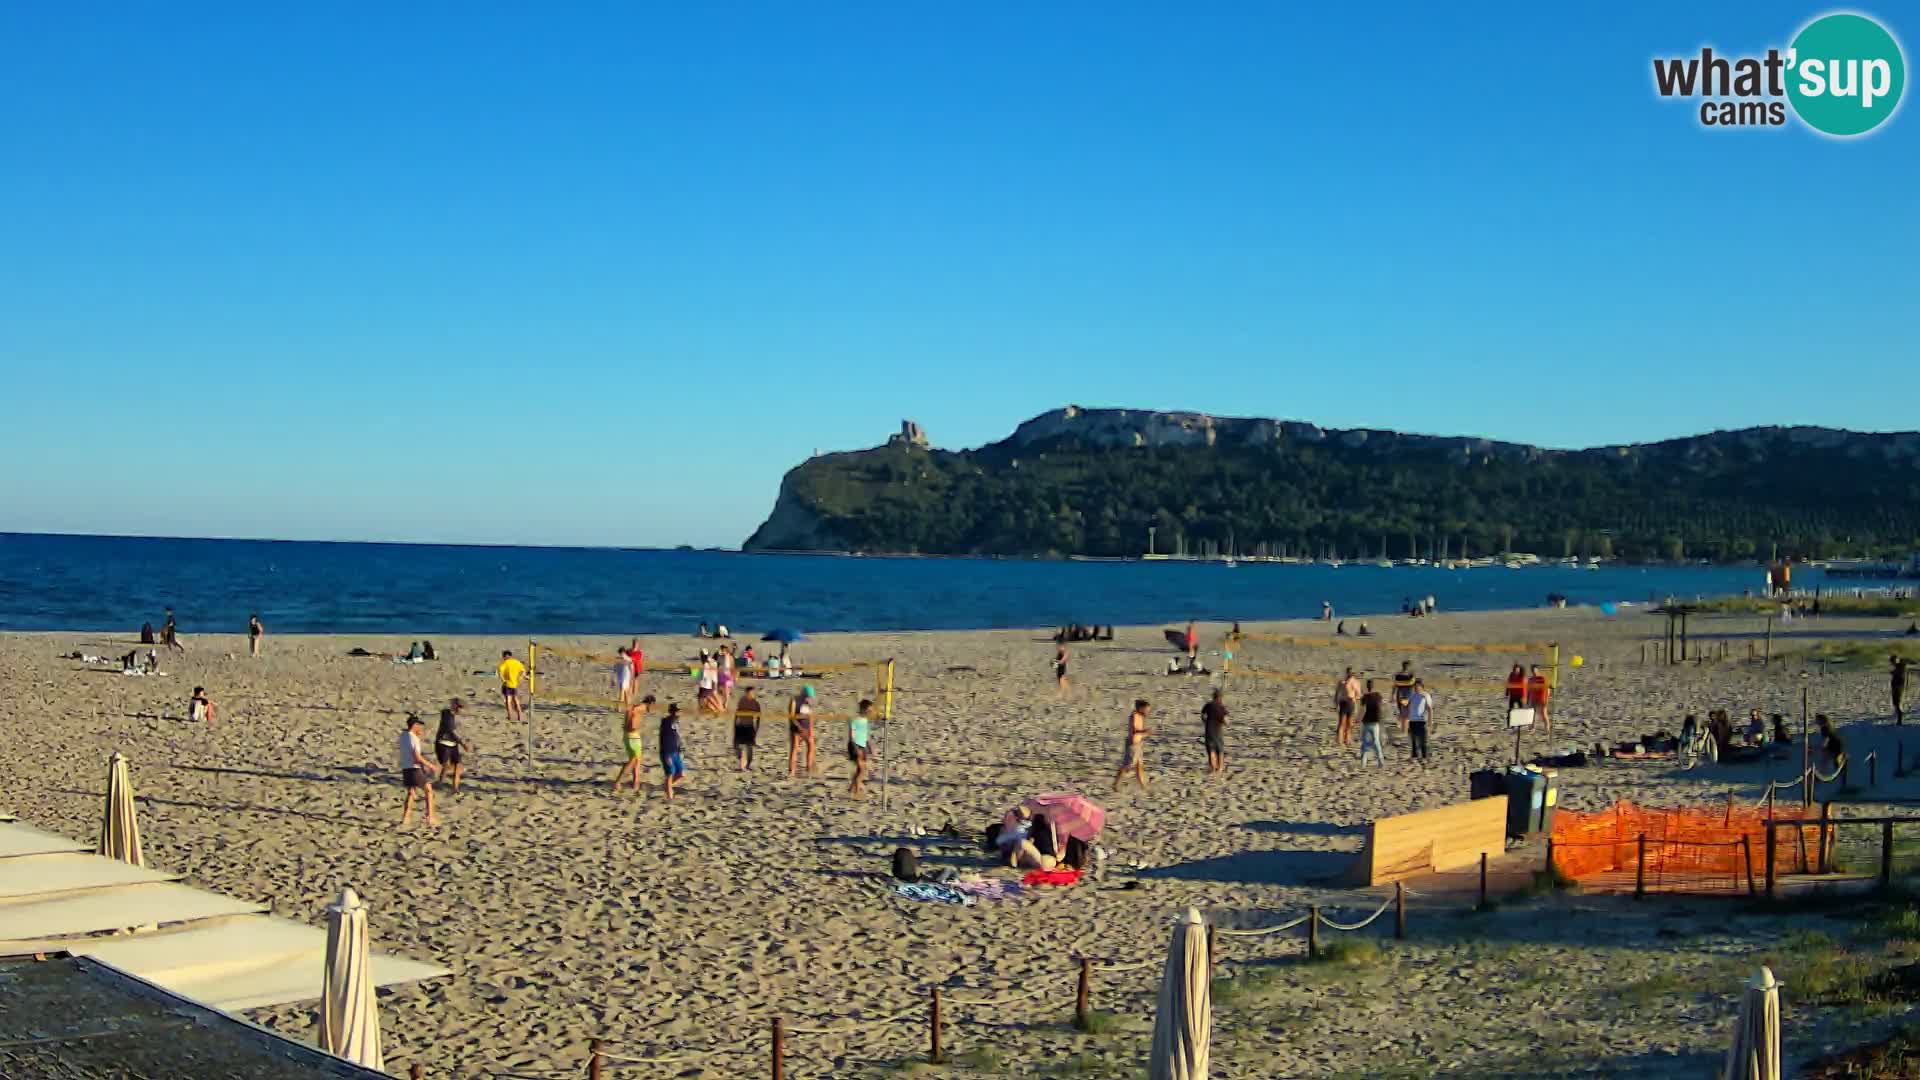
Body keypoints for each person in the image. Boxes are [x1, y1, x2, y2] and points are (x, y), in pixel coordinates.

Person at [397, 715, 440, 827]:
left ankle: (406, 818)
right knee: (429, 790)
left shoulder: (403, 735)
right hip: (414, 767)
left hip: (405, 767)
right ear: (414, 725)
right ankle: (430, 817)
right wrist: (431, 765)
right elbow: (417, 756)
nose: (421, 728)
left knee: (411, 792)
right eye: (419, 726)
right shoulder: (413, 738)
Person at [612, 695, 655, 792]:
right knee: (633, 760)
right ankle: (618, 781)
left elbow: (629, 713)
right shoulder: (639, 708)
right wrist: (633, 727)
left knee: (637, 761)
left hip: (631, 735)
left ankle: (636, 784)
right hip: (632, 736)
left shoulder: (637, 707)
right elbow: (632, 713)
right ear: (650, 703)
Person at [1113, 699, 1152, 791]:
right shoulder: (1134, 716)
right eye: (1146, 709)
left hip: (1138, 744)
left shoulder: (1140, 717)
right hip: (1132, 745)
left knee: (1139, 767)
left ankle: (1143, 786)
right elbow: (1134, 731)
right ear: (1141, 708)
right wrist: (1144, 731)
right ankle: (1116, 783)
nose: (1148, 712)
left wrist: (1146, 733)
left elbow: (1139, 732)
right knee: (1127, 766)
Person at [435, 698, 471, 793]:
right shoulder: (447, 715)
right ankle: (440, 783)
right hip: (443, 743)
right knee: (446, 766)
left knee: (457, 766)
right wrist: (463, 744)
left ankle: (455, 788)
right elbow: (451, 733)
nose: (461, 710)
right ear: (455, 706)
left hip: (453, 744)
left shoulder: (453, 715)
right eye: (460, 707)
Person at [659, 703, 686, 800]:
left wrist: (680, 750)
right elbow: (663, 739)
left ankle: (667, 786)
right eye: (677, 711)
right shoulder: (666, 722)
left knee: (681, 773)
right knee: (670, 773)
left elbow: (677, 738)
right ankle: (669, 797)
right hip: (667, 752)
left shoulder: (677, 722)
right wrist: (666, 755)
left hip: (676, 751)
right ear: (673, 712)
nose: (679, 713)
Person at [788, 686, 817, 777]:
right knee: (795, 748)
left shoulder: (808, 703)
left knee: (811, 745)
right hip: (796, 728)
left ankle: (809, 768)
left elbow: (811, 717)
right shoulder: (794, 701)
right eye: (808, 696)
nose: (809, 698)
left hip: (806, 728)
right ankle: (792, 771)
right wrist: (798, 726)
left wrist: (811, 731)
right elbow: (791, 716)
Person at [847, 698, 873, 797]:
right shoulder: (854, 719)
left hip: (863, 745)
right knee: (861, 770)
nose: (870, 712)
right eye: (869, 710)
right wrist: (855, 748)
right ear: (863, 709)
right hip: (855, 745)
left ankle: (851, 788)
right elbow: (851, 735)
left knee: (860, 769)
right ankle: (857, 792)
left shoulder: (865, 720)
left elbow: (866, 735)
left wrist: (871, 747)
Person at [1357, 679, 1387, 766]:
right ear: (1373, 686)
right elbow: (1381, 706)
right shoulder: (1378, 696)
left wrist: (1358, 719)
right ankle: (1381, 761)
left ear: (1367, 686)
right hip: (1375, 722)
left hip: (1366, 722)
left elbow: (1363, 710)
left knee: (1365, 742)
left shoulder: (1365, 697)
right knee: (1376, 741)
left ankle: (1363, 763)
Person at [1200, 687, 1228, 774]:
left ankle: (1213, 767)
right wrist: (1225, 723)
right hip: (1218, 730)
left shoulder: (1208, 705)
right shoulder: (1221, 707)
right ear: (1220, 697)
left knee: (1211, 750)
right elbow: (1226, 720)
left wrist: (1205, 722)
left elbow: (1203, 715)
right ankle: (1220, 768)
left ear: (1213, 696)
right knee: (1220, 750)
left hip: (1209, 730)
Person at [733, 687, 762, 770]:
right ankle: (742, 761)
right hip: (740, 726)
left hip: (749, 727)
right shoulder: (742, 701)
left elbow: (758, 718)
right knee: (737, 746)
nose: (751, 695)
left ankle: (748, 764)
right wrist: (735, 725)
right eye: (749, 693)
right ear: (746, 693)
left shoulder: (755, 703)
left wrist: (756, 730)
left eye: (752, 693)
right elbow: (736, 714)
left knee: (749, 747)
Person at [1406, 679, 1433, 762]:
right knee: (1413, 740)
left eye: (1418, 686)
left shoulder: (1426, 696)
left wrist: (1430, 721)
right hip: (1412, 720)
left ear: (1422, 686)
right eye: (1415, 686)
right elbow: (1406, 705)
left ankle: (1424, 757)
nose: (1416, 687)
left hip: (1421, 721)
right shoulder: (1412, 695)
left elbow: (1430, 709)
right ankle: (1414, 756)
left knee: (1423, 740)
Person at [1334, 667, 1360, 748]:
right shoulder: (1342, 682)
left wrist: (1354, 698)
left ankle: (1347, 739)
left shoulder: (1355, 682)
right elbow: (1337, 693)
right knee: (1342, 722)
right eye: (1349, 672)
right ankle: (1339, 740)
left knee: (1349, 723)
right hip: (1344, 703)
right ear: (1347, 672)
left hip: (1351, 703)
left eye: (1352, 672)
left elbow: (1358, 694)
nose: (1351, 673)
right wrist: (1336, 703)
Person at [1525, 665, 1552, 737]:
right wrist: (1528, 700)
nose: (1534, 672)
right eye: (1532, 670)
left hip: (1542, 699)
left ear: (1537, 670)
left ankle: (1547, 729)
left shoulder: (1543, 678)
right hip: (1534, 698)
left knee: (1543, 713)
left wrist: (1547, 698)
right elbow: (1529, 690)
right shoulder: (1530, 680)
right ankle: (1532, 729)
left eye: (1535, 670)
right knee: (1531, 714)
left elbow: (1549, 688)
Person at [1392, 660, 1416, 733]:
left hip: (1401, 696)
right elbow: (1414, 686)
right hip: (1408, 696)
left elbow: (1395, 686)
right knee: (1406, 714)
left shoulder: (1398, 675)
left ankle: (1404, 729)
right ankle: (1404, 730)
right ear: (1408, 666)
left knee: (1404, 713)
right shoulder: (1411, 675)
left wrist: (1392, 695)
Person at [1893, 656, 1911, 725]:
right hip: (1897, 688)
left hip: (1898, 688)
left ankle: (1899, 720)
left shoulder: (1901, 669)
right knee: (1896, 703)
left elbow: (1900, 679)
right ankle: (1899, 719)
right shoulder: (1900, 668)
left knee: (1897, 703)